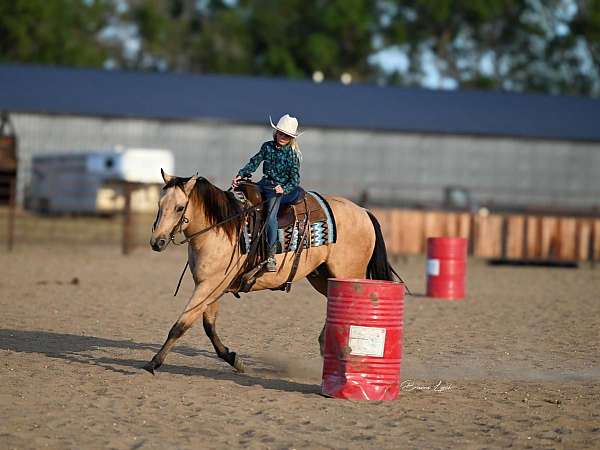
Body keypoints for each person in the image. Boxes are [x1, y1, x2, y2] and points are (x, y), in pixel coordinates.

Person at [232, 114, 302, 272]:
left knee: (270, 216)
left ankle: (271, 254)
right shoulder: (267, 147)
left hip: (278, 189)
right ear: (276, 132)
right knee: (241, 197)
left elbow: (295, 179)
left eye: (287, 135)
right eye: (281, 133)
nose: (283, 137)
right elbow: (254, 162)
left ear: (291, 138)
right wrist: (241, 174)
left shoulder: (292, 155)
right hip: (264, 184)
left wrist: (283, 188)